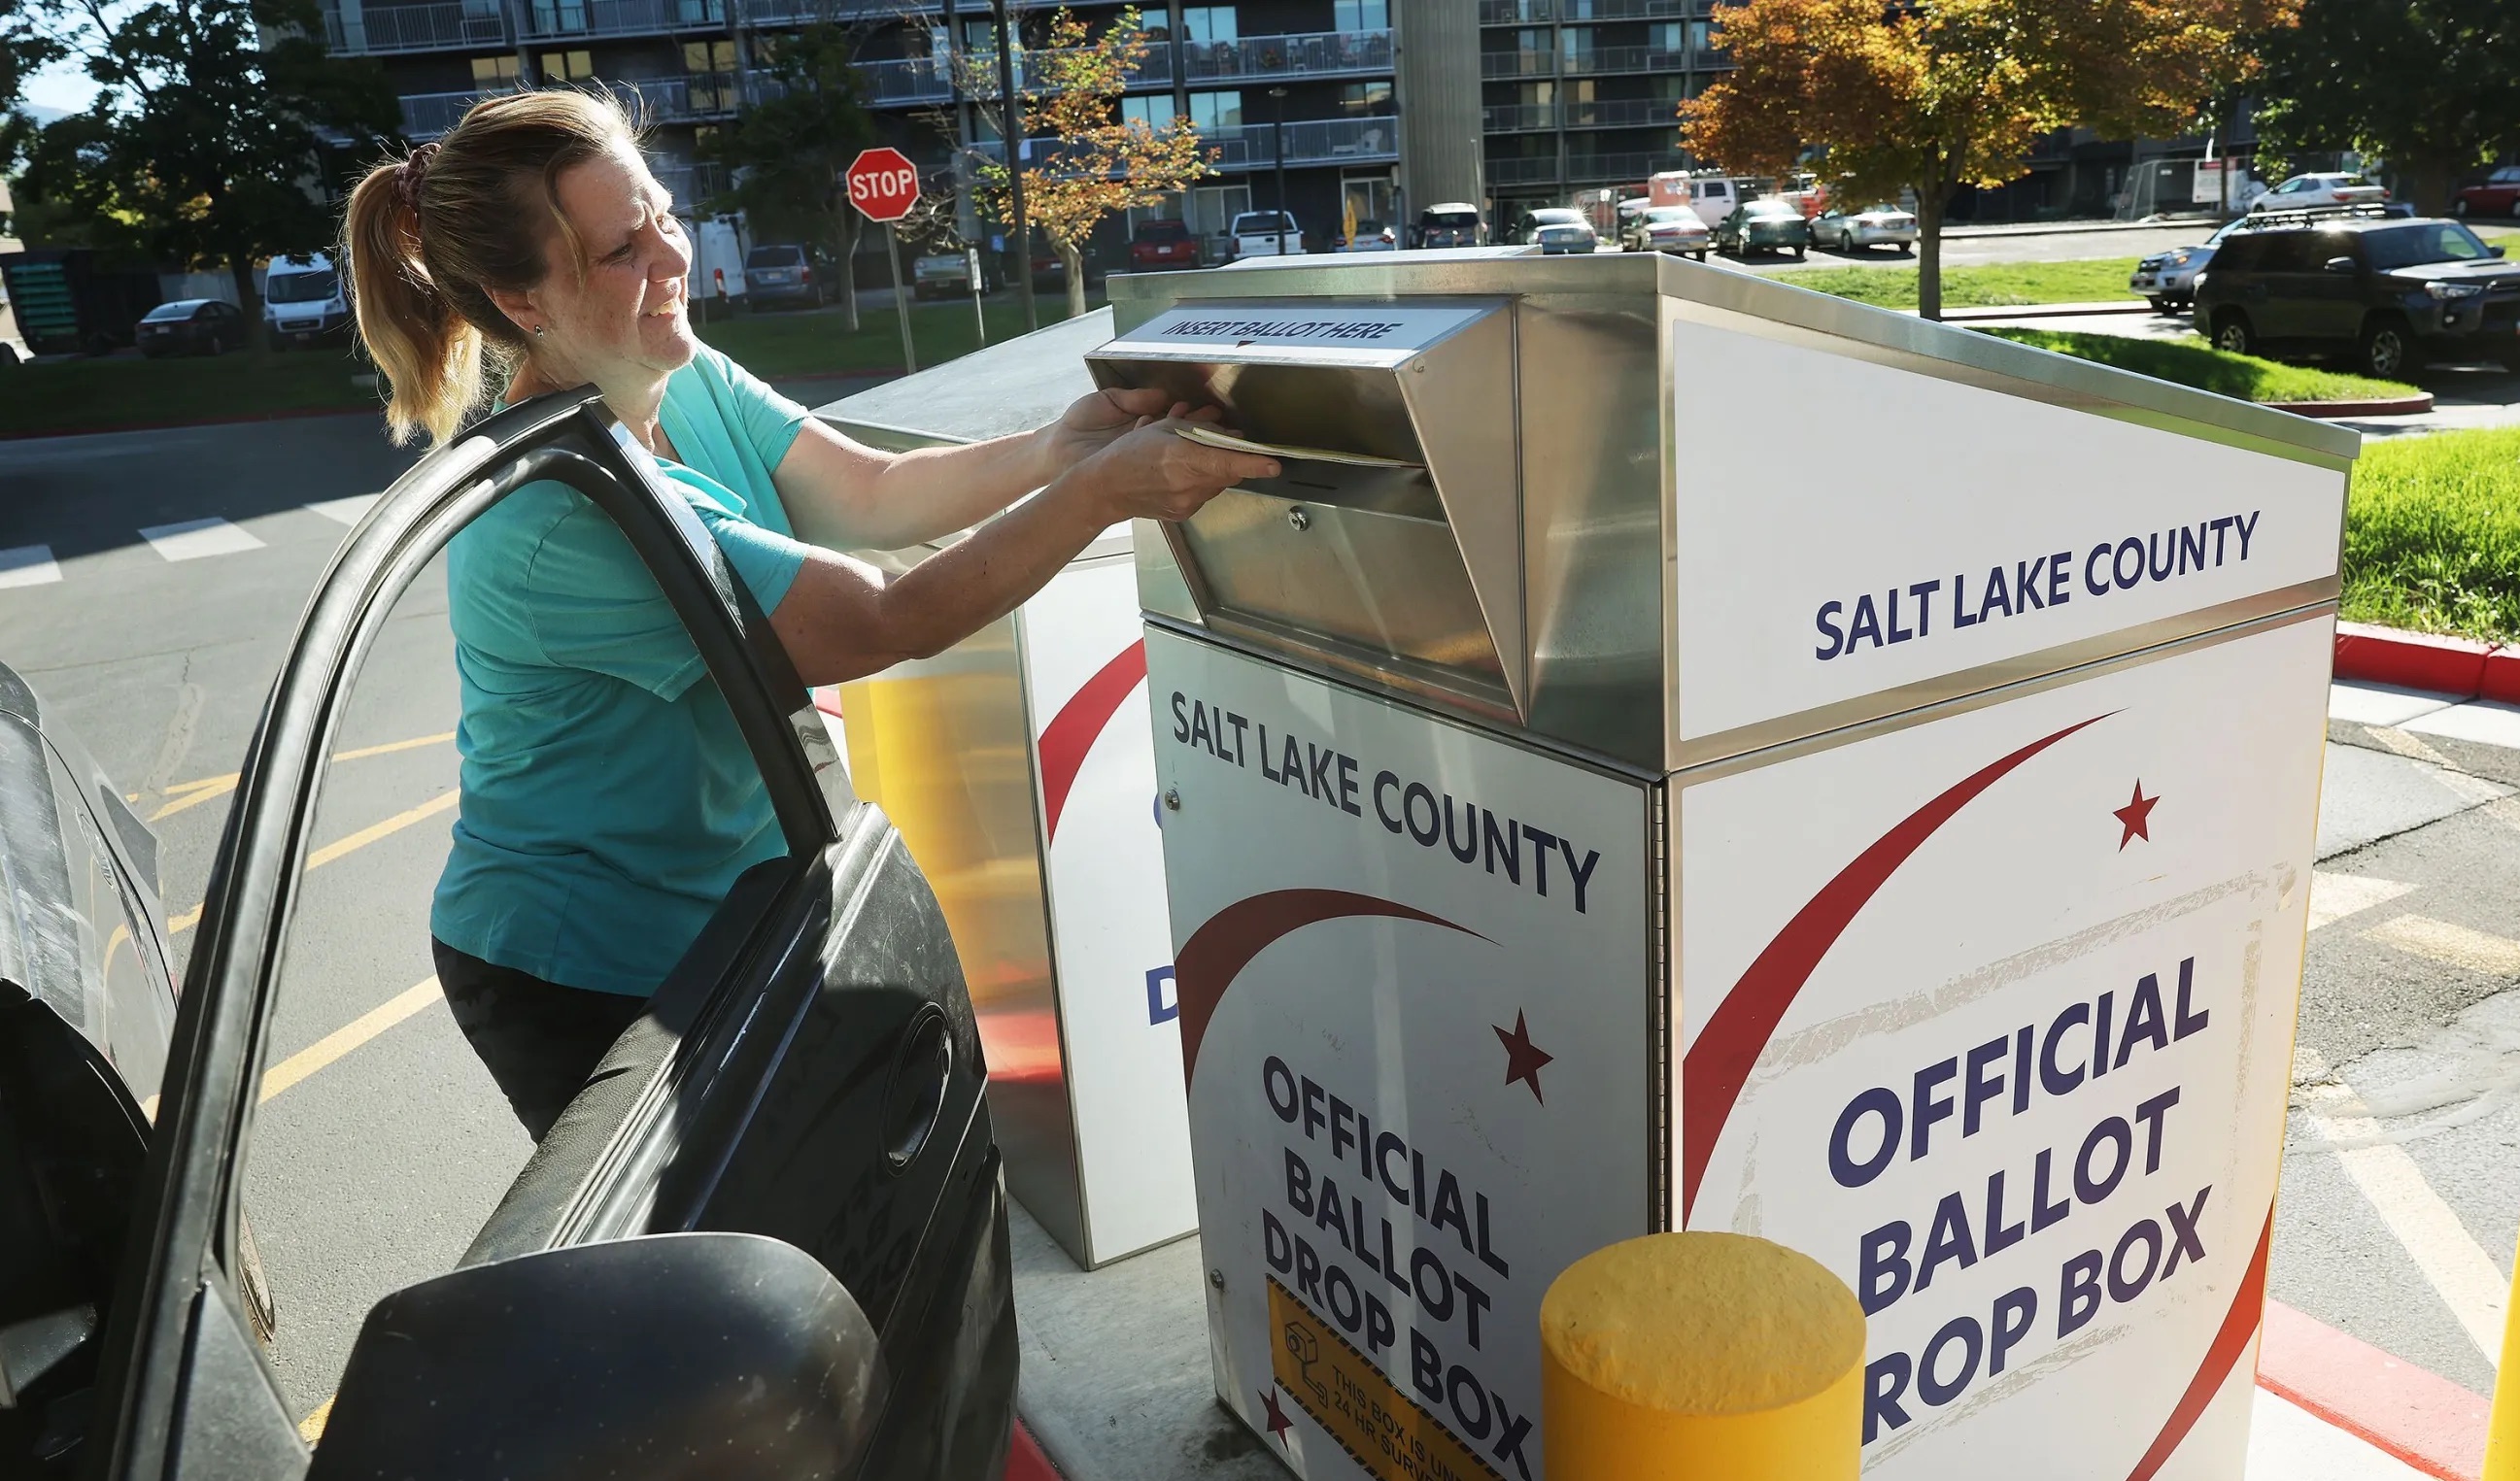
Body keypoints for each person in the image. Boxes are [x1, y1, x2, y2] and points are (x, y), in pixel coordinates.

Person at [340, 89, 1276, 1140]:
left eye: (661, 216)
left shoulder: (670, 375)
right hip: (577, 964)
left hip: (721, 907)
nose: (669, 259)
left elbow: (872, 494)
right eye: (618, 251)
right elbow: (889, 617)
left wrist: (1061, 449)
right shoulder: (563, 506)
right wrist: (1106, 491)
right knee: (705, 1276)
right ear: (523, 301)